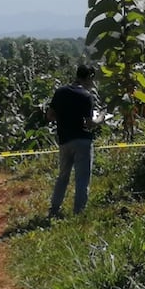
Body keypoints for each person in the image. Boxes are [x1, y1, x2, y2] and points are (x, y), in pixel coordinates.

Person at [47, 64, 99, 217]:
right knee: (82, 179)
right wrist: (101, 119)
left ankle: (54, 210)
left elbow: (50, 115)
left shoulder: (60, 92)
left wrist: (64, 119)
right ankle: (78, 213)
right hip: (82, 140)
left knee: (63, 176)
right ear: (88, 78)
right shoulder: (86, 96)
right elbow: (90, 123)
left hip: (64, 140)